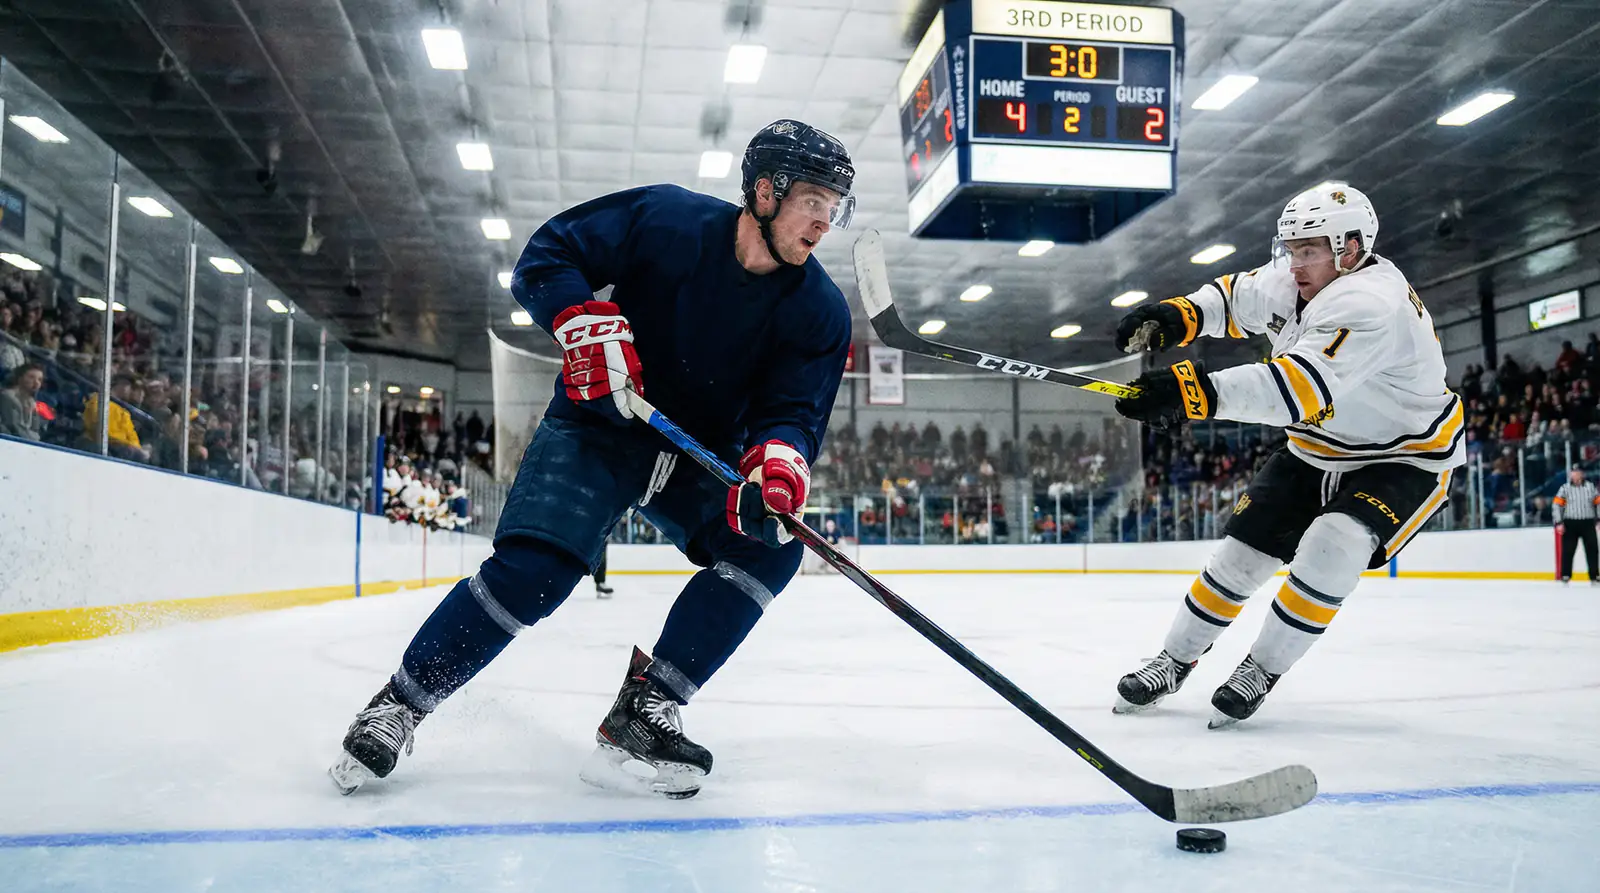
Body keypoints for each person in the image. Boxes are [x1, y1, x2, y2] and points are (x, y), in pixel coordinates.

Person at [329, 119, 855, 797]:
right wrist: (580, 318)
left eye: (833, 206)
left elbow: (794, 412)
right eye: (812, 200)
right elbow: (548, 255)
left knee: (772, 545)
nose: (823, 221)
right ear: (764, 190)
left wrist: (776, 466)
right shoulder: (667, 219)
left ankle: (645, 708)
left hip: (699, 455)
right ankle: (399, 702)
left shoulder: (821, 311)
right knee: (534, 574)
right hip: (600, 427)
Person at [1109, 184, 1464, 728]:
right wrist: (1178, 316)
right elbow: (1232, 299)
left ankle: (1260, 669)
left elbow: (1298, 389)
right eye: (1291, 250)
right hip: (1316, 446)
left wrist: (1190, 392)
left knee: (1335, 543)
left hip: (1406, 456)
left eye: (1310, 251)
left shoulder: (1371, 302)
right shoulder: (1295, 277)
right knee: (1239, 558)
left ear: (1349, 248)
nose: (1295, 264)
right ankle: (1173, 661)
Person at [1553, 467, 1599, 584]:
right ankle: (1565, 575)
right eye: (1573, 473)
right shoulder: (1565, 488)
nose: (1575, 476)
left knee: (1592, 549)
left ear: (1582, 474)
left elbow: (1598, 503)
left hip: (1587, 522)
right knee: (1568, 550)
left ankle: (1594, 575)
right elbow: (1557, 505)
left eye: (1577, 473)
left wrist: (1598, 519)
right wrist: (1558, 522)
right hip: (1570, 523)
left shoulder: (1590, 487)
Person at [0, 363, 44, 440]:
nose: (36, 382)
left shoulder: (33, 403)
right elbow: (14, 427)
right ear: (20, 378)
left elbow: (36, 430)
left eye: (39, 379)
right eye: (31, 377)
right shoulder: (7, 396)